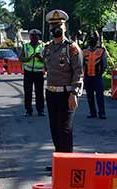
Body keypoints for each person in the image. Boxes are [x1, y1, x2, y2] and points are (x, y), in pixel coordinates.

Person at [42, 9, 83, 161]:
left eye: (59, 25)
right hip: (51, 93)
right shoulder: (48, 48)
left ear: (65, 26)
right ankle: (59, 161)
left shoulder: (72, 48)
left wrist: (74, 94)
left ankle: (67, 163)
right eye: (53, 25)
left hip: (66, 94)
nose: (55, 28)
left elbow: (78, 72)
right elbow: (47, 67)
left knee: (65, 130)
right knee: (55, 129)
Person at [82, 31, 107, 119]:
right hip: (88, 76)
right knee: (90, 96)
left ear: (96, 40)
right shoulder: (84, 51)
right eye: (90, 39)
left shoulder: (101, 51)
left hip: (97, 77)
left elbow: (104, 64)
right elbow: (82, 64)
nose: (91, 40)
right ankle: (93, 112)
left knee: (99, 95)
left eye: (93, 39)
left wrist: (100, 73)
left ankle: (102, 113)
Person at [20, 29, 45, 117]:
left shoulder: (43, 46)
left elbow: (48, 60)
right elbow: (20, 58)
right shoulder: (25, 46)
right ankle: (28, 110)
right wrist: (28, 59)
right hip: (28, 72)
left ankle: (40, 110)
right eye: (32, 36)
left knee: (39, 92)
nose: (34, 38)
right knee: (28, 92)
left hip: (39, 72)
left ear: (39, 37)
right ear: (30, 37)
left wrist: (40, 57)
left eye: (36, 36)